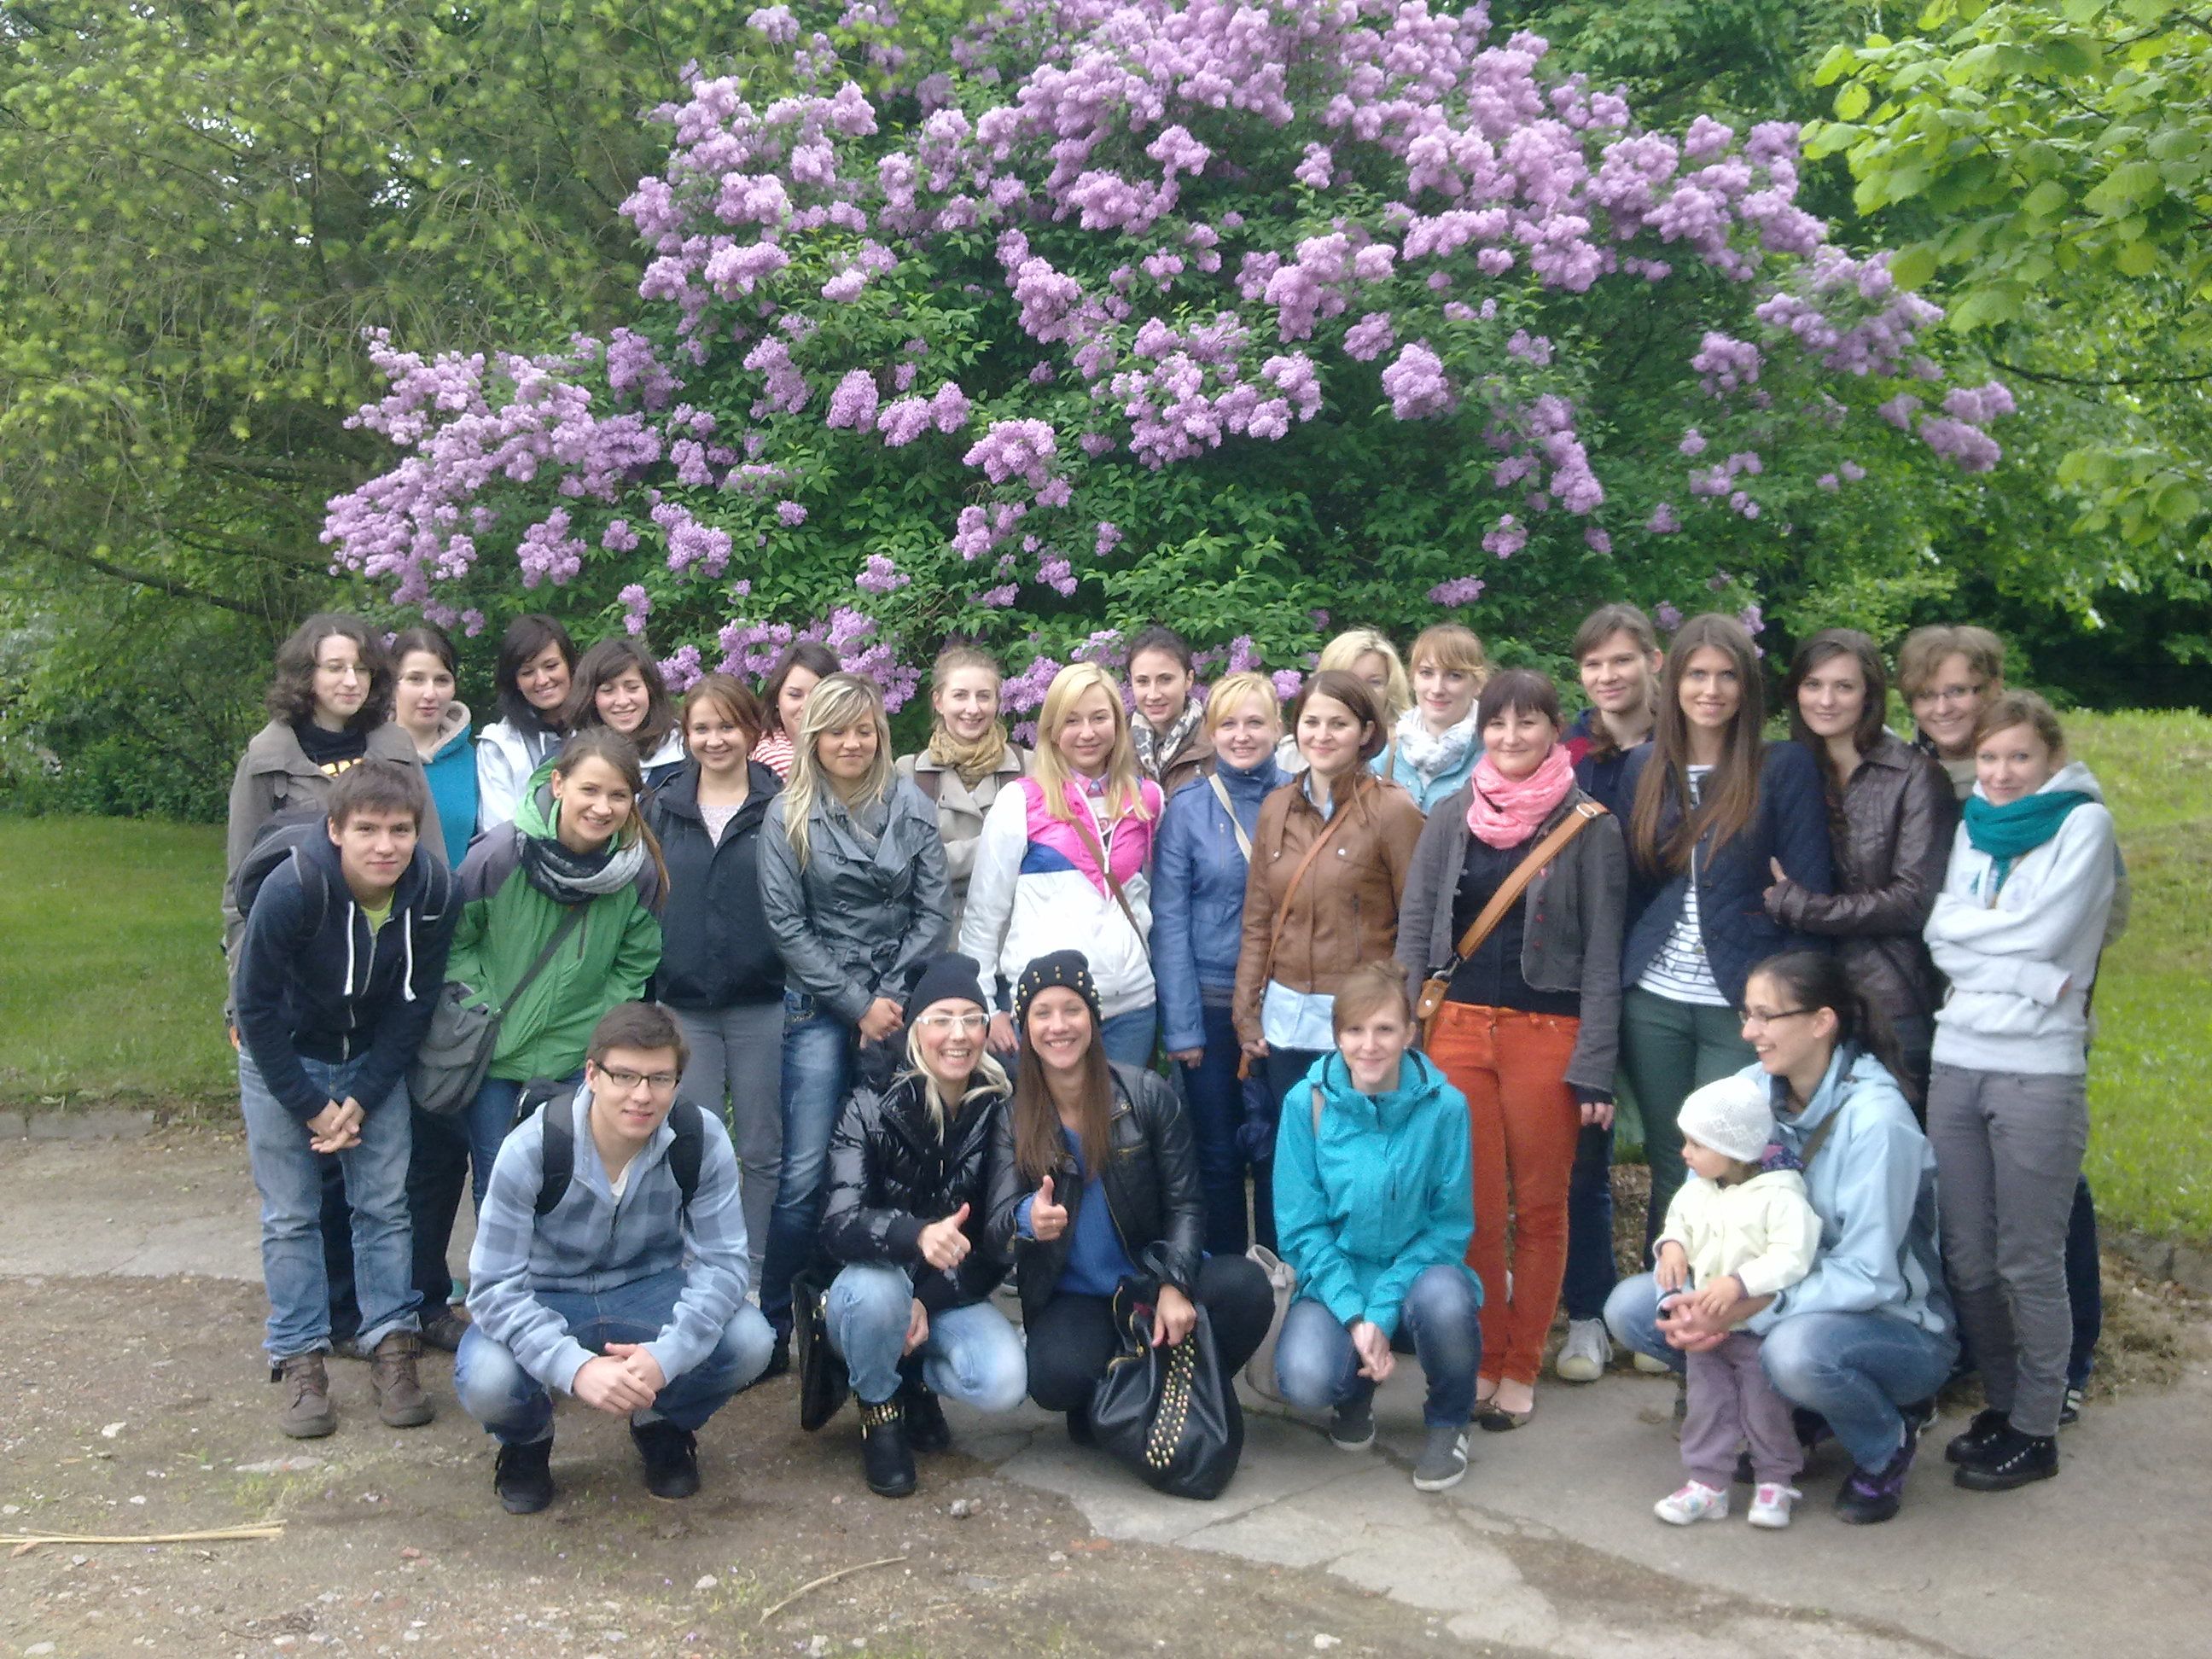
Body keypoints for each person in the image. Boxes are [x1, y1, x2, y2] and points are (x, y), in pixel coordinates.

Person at [1604, 952, 1956, 1526]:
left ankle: (1886, 1441)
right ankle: (1788, 1417)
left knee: (1792, 1353)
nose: (1748, 1032)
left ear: (1821, 1022)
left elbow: (1871, 1274)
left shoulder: (1878, 1122)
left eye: (1766, 1016)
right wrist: (1686, 1280)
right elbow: (1698, 1202)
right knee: (1637, 1308)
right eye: (1746, 1014)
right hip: (1764, 1299)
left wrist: (1748, 1307)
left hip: (1894, 1326)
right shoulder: (1746, 1092)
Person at [1395, 669, 1626, 1429]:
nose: (1511, 736)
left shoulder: (1591, 825)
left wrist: (1595, 1066)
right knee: (1473, 1209)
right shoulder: (1453, 813)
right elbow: (1416, 926)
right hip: (1457, 1028)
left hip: (1548, 1035)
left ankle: (1523, 1363)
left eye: (1528, 722)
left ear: (1556, 729)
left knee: (1542, 1207)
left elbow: (1604, 957)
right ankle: (1485, 1357)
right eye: (1497, 723)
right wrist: (1405, 1035)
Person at [1901, 624, 2109, 1423]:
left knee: (2042, 1231)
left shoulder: (2077, 815)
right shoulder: (1951, 794)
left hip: (2039, 1050)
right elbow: (1940, 928)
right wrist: (2026, 968)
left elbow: (2070, 930)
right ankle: (2003, 1387)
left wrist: (2037, 968)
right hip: (1963, 1034)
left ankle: (2059, 1381)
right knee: (1972, 1242)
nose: (1944, 706)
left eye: (1959, 689)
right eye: (1928, 693)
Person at [455, 1003, 775, 1513]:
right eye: (624, 1075)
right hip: (548, 1294)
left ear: (677, 1081)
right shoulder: (532, 1147)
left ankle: (662, 1421)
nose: (642, 1095)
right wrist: (575, 1368)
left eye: (659, 1078)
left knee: (751, 1340)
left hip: (649, 1289)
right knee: (487, 1378)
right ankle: (527, 1441)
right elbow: (493, 1288)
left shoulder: (700, 1137)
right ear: (592, 1075)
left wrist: (668, 1357)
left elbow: (725, 1265)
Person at [413, 729, 667, 1344]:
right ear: (558, 784)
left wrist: (595, 1028)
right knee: (500, 1183)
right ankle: (503, 1321)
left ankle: (559, 1314)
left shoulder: (637, 873)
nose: (602, 807)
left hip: (575, 1060)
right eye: (589, 790)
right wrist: (484, 1004)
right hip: (495, 1059)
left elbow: (636, 960)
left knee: (568, 1187)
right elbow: (454, 939)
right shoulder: (501, 854)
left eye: (618, 795)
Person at [232, 761, 455, 1437]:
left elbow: (414, 1006)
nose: (385, 846)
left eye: (400, 830)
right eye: (367, 830)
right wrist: (309, 1104)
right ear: (335, 831)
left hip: (370, 1059)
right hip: (281, 1054)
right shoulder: (294, 888)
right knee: (291, 1213)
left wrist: (362, 1095)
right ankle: (300, 1357)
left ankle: (391, 1343)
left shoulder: (433, 891)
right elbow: (254, 1007)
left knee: (384, 1205)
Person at [985, 952, 1274, 1463]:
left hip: (1151, 1276)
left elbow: (1187, 1203)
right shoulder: (1014, 1116)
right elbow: (996, 1225)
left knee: (1247, 1289)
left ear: (1093, 1018)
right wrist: (1027, 1218)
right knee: (1053, 1377)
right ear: (1025, 1027)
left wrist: (1174, 1284)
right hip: (1079, 1297)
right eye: (1042, 1013)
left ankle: (1156, 1390)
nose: (1058, 1026)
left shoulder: (1147, 1093)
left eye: (1072, 1010)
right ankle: (1131, 1390)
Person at [1617, 614, 1832, 1265]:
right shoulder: (1642, 768)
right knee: (1670, 1154)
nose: (1711, 690)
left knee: (1731, 1157)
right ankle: (1667, 1297)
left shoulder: (1782, 768)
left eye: (1727, 676)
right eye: (1697, 675)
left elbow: (1808, 894)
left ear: (1748, 687)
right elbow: (1633, 889)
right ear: (1674, 683)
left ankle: (1727, 1299)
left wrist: (1791, 1008)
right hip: (1653, 999)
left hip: (1739, 1003)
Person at [758, 672, 952, 1359]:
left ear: (880, 734)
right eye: (837, 731)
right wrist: (856, 1003)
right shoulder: (786, 814)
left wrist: (888, 1001)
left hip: (899, 1004)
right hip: (819, 1003)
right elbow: (785, 925)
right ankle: (775, 1322)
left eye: (863, 730)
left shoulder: (911, 803)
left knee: (898, 1165)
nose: (851, 742)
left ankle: (900, 1314)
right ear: (814, 737)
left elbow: (934, 910)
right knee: (805, 1171)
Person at [1272, 962, 1486, 1493]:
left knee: (1447, 1302)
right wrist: (1354, 1315)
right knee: (1304, 1377)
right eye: (1355, 1030)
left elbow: (1448, 1227)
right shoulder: (1306, 1103)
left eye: (1385, 1029)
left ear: (1409, 1034)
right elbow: (1301, 1229)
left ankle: (1449, 1421)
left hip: (1419, 1275)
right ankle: (1354, 1392)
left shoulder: (1446, 1108)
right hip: (1336, 1279)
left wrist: (1382, 1313)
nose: (1369, 1045)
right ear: (1337, 1036)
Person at [820, 955, 1027, 1498]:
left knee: (1003, 1380)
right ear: (916, 1030)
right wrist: (914, 1235)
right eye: (941, 1019)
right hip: (865, 1290)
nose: (958, 1035)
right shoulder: (867, 1103)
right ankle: (878, 1406)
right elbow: (838, 1225)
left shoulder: (1002, 1107)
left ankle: (912, 1381)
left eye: (971, 1019)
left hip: (946, 1292)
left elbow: (994, 1243)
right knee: (878, 1291)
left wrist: (926, 1301)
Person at [1235, 671, 1424, 1152]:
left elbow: (1416, 925)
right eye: (1311, 722)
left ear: (1365, 732)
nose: (1322, 735)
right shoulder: (1276, 807)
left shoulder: (1393, 811)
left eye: (1338, 724)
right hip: (1286, 1018)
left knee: (1359, 1154)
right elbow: (1258, 919)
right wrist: (1246, 1012)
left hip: (1362, 1022)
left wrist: (1403, 1017)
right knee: (1297, 1152)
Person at [1767, 631, 1954, 1099]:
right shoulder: (1782, 768)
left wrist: (1804, 908)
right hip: (1799, 996)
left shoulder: (1914, 776)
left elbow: (1913, 900)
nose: (1826, 700)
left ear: (1869, 694)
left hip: (1889, 995)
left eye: (1844, 687)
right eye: (1813, 685)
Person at [1555, 602, 1665, 1382]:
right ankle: (1588, 1313)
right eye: (1594, 664)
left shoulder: (1686, 751)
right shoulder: (1569, 755)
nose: (1607, 676)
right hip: (1582, 974)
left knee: (1678, 1152)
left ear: (1654, 662)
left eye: (1622, 660)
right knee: (1582, 1157)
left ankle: (1662, 1313)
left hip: (1664, 974)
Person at [644, 673, 785, 1285]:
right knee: (693, 1144)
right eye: (702, 728)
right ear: (686, 735)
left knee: (760, 1148)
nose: (715, 739)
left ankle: (750, 1273)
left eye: (727, 726)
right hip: (684, 1004)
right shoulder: (662, 804)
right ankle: (697, 1266)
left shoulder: (781, 802)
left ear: (751, 730)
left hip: (763, 1000)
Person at [961, 662, 1165, 1067]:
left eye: (1099, 718)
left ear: (1118, 723)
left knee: (1123, 1111)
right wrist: (986, 1004)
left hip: (1131, 1010)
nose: (1087, 732)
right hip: (1045, 1010)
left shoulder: (1149, 800)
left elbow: (1155, 901)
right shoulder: (1021, 801)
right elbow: (984, 913)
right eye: (1072, 720)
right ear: (1052, 729)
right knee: (1045, 1113)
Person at [1151, 671, 1290, 1252]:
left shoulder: (1303, 799)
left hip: (1287, 1000)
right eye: (1228, 724)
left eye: (1255, 722)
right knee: (1217, 1151)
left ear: (1278, 728)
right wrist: (1182, 1027)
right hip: (1210, 1000)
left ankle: (1287, 1269)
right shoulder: (1188, 808)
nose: (1242, 735)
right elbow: (1170, 920)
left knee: (1287, 1149)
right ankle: (1232, 1275)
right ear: (1211, 733)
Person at [1646, 1076, 1822, 1528]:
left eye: (1696, 1144)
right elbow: (1678, 1223)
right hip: (1708, 1328)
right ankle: (1707, 1483)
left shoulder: (1781, 1196)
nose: (1685, 1153)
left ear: (1734, 1149)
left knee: (1766, 1407)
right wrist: (1672, 1246)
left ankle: (1775, 1480)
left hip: (1759, 1330)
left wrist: (1740, 1283)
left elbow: (1793, 1256)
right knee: (1707, 1405)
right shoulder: (1698, 1189)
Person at [224, 612, 435, 952]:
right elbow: (240, 883)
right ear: (306, 675)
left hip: (389, 943)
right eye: (336, 668)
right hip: (300, 946)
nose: (351, 681)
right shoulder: (266, 760)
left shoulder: (398, 751)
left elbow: (432, 859)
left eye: (361, 669)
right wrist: (243, 965)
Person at [895, 643, 1030, 929]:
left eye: (984, 696)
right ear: (938, 701)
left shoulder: (1030, 767)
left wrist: (947, 857)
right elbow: (907, 863)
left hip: (1013, 936)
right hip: (936, 937)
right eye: (960, 695)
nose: (973, 708)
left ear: (998, 702)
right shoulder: (908, 772)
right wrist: (1004, 847)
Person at [476, 614, 577, 830]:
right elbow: (500, 829)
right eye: (528, 672)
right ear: (516, 682)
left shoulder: (599, 728)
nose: (542, 680)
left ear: (570, 665)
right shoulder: (499, 745)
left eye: (551, 666)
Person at [389, 624, 477, 870]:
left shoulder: (476, 761)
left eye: (441, 680)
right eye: (415, 679)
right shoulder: (369, 755)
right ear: (392, 684)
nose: (430, 693)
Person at [1374, 624, 1487, 812]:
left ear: (1477, 684)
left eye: (1454, 676)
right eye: (1427, 673)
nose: (1437, 689)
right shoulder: (1386, 752)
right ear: (1413, 679)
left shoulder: (1494, 753)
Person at [561, 637, 687, 797]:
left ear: (651, 690)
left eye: (632, 688)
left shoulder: (685, 755)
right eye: (608, 690)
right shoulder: (564, 758)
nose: (623, 701)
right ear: (590, 697)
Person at [1276, 628, 1413, 771]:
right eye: (1349, 680)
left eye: (1374, 682)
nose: (1361, 691)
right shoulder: (1292, 754)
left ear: (1390, 687)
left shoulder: (1410, 750)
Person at [1898, 624, 2006, 801]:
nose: (1942, 709)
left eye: (1957, 691)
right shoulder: (1894, 779)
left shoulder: (2036, 777)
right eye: (1926, 695)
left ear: (1993, 688)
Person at [1126, 625, 1209, 799]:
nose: (1153, 695)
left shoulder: (1217, 741)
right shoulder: (1115, 747)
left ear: (1189, 679)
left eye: (1165, 680)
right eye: (1142, 681)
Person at [753, 641, 840, 781]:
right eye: (795, 695)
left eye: (818, 695)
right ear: (777, 698)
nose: (806, 706)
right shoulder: (778, 760)